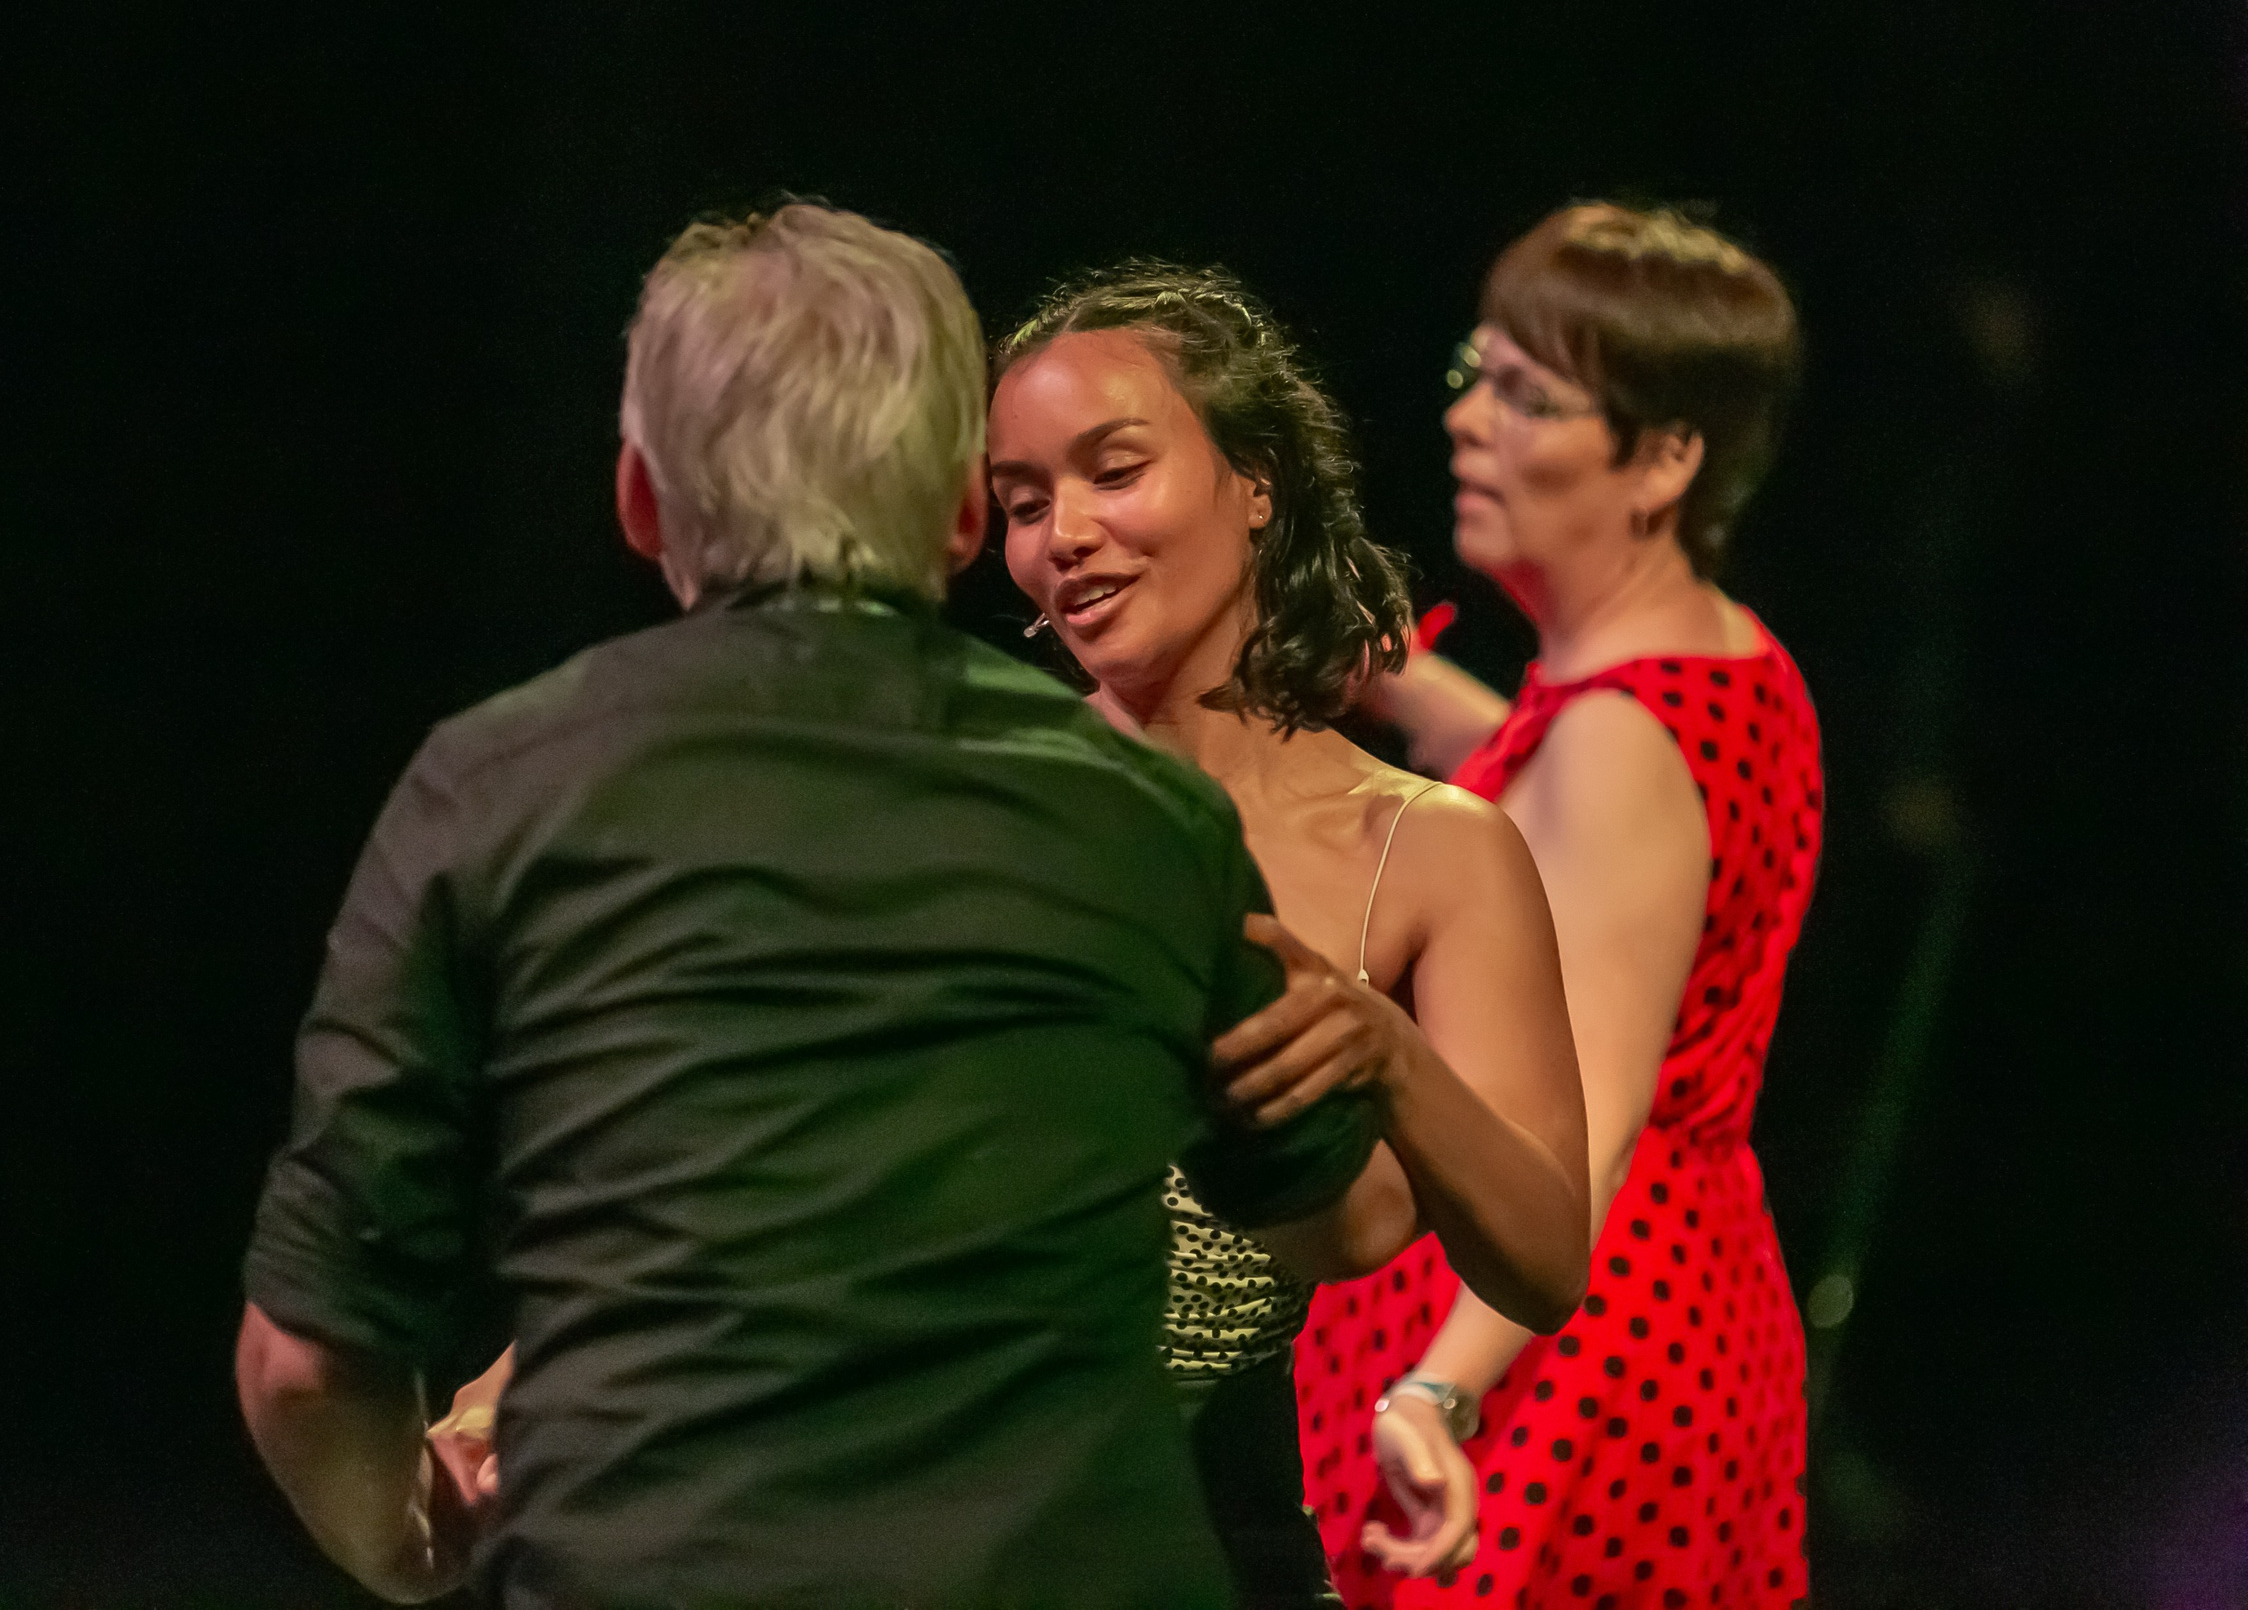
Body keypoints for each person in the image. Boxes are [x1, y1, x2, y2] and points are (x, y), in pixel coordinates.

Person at [233, 203, 1434, 1610]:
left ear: (639, 500)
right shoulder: (1143, 819)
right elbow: (1343, 1223)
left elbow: (305, 1364)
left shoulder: (493, 792)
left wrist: (410, 1543)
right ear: (968, 515)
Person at [985, 263, 1595, 1603]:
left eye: (1113, 472)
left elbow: (1547, 1258)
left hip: (1214, 1546)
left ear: (1255, 479)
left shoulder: (1429, 850)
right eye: (1023, 505)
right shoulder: (979, 799)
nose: (1063, 535)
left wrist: (1388, 1056)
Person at [1294, 202, 1821, 1607]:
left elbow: (1578, 1128)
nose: (1468, 420)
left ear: (1664, 459)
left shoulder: (1618, 745)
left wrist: (1437, 1396)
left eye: (1529, 399)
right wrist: (1410, 690)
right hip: (1670, 1301)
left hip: (1560, 1359)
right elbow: (1566, 830)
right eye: (1480, 372)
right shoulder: (1712, 662)